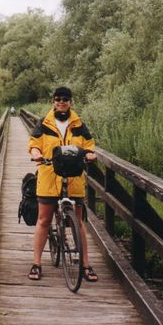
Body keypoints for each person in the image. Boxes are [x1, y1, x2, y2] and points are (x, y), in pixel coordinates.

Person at [27, 86, 98, 282]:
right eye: (58, 99)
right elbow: (34, 143)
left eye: (65, 99)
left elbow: (89, 144)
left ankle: (85, 265)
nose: (61, 102)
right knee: (43, 219)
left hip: (73, 176)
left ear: (70, 102)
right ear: (53, 101)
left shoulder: (78, 124)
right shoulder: (44, 123)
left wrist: (90, 154)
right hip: (49, 175)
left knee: (79, 221)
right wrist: (36, 154)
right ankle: (36, 264)